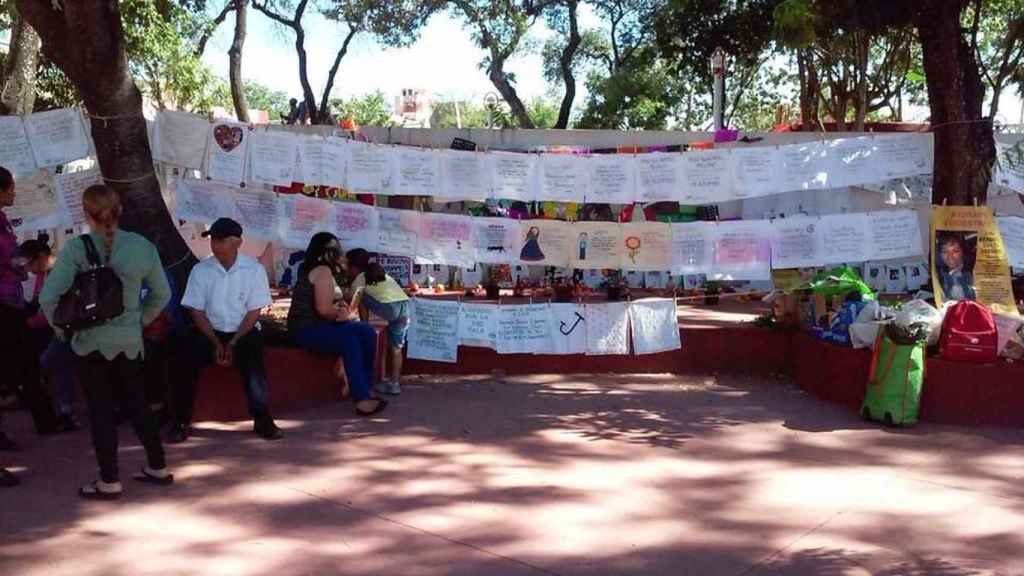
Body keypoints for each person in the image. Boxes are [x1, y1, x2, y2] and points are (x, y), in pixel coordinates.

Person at [39, 184, 173, 499]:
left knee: (100, 411)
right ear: (119, 210)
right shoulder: (142, 246)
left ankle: (109, 480)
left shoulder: (75, 249)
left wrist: (63, 333)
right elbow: (162, 294)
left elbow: (48, 298)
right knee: (138, 404)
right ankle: (158, 466)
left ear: (86, 213)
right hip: (129, 341)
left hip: (89, 342)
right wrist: (139, 321)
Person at [168, 218, 283, 443]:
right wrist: (214, 341)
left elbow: (253, 312)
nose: (215, 245)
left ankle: (262, 419)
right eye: (213, 240)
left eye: (221, 240)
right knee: (182, 358)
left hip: (243, 330)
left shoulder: (254, 269)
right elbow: (196, 311)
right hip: (209, 330)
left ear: (237, 242)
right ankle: (180, 421)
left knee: (254, 360)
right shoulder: (201, 270)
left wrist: (233, 342)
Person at [287, 233, 386, 416]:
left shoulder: (320, 271)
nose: (341, 256)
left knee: (366, 331)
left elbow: (328, 304)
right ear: (327, 253)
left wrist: (341, 309)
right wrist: (343, 316)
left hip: (317, 326)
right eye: (337, 251)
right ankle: (362, 398)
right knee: (352, 339)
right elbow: (324, 310)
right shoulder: (322, 271)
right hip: (306, 330)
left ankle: (364, 387)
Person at [0, 167, 58, 458]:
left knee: (26, 364)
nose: (13, 193)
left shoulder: (3, 221)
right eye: (10, 188)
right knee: (20, 365)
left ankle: (46, 420)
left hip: (12, 303)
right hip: (3, 304)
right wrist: (15, 267)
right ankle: (45, 420)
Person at [20, 238, 81, 432]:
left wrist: (31, 322)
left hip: (69, 330)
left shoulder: (59, 273)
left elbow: (56, 310)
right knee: (63, 368)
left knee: (44, 366)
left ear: (41, 257)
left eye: (29, 264)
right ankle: (66, 411)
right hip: (61, 331)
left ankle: (63, 409)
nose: (28, 270)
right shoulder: (44, 274)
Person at [346, 248, 409, 396]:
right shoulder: (379, 273)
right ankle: (394, 384)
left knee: (361, 296)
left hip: (390, 309)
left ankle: (364, 325)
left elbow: (353, 303)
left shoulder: (359, 279)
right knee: (396, 348)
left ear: (353, 267)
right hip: (405, 306)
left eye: (347, 266)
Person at [938, 235, 976, 301]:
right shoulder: (939, 275)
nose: (950, 256)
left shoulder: (973, 273)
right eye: (944, 252)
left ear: (963, 252)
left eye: (955, 251)